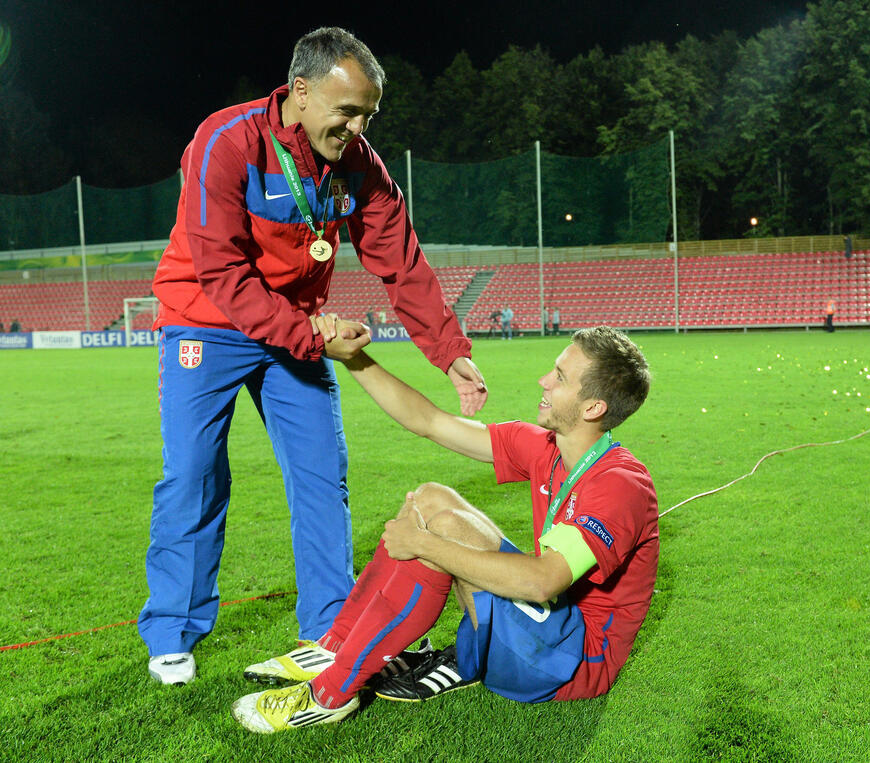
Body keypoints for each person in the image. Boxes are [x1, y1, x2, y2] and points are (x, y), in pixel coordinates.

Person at [139, 26, 488, 685]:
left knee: (323, 475)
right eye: (347, 111)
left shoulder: (358, 163)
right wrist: (309, 336)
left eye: (368, 116)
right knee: (193, 474)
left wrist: (449, 350)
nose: (356, 128)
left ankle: (330, 628)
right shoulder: (226, 141)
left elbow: (401, 261)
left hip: (297, 332)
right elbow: (220, 271)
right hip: (205, 322)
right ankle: (172, 635)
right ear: (300, 91)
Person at [231, 323, 657, 734]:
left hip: (573, 662)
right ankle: (335, 646)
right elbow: (429, 421)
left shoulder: (620, 485)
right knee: (432, 497)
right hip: (547, 627)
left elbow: (542, 583)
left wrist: (423, 544)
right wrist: (355, 359)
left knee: (443, 531)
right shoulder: (547, 448)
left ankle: (329, 695)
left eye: (560, 377)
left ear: (593, 408)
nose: (544, 380)